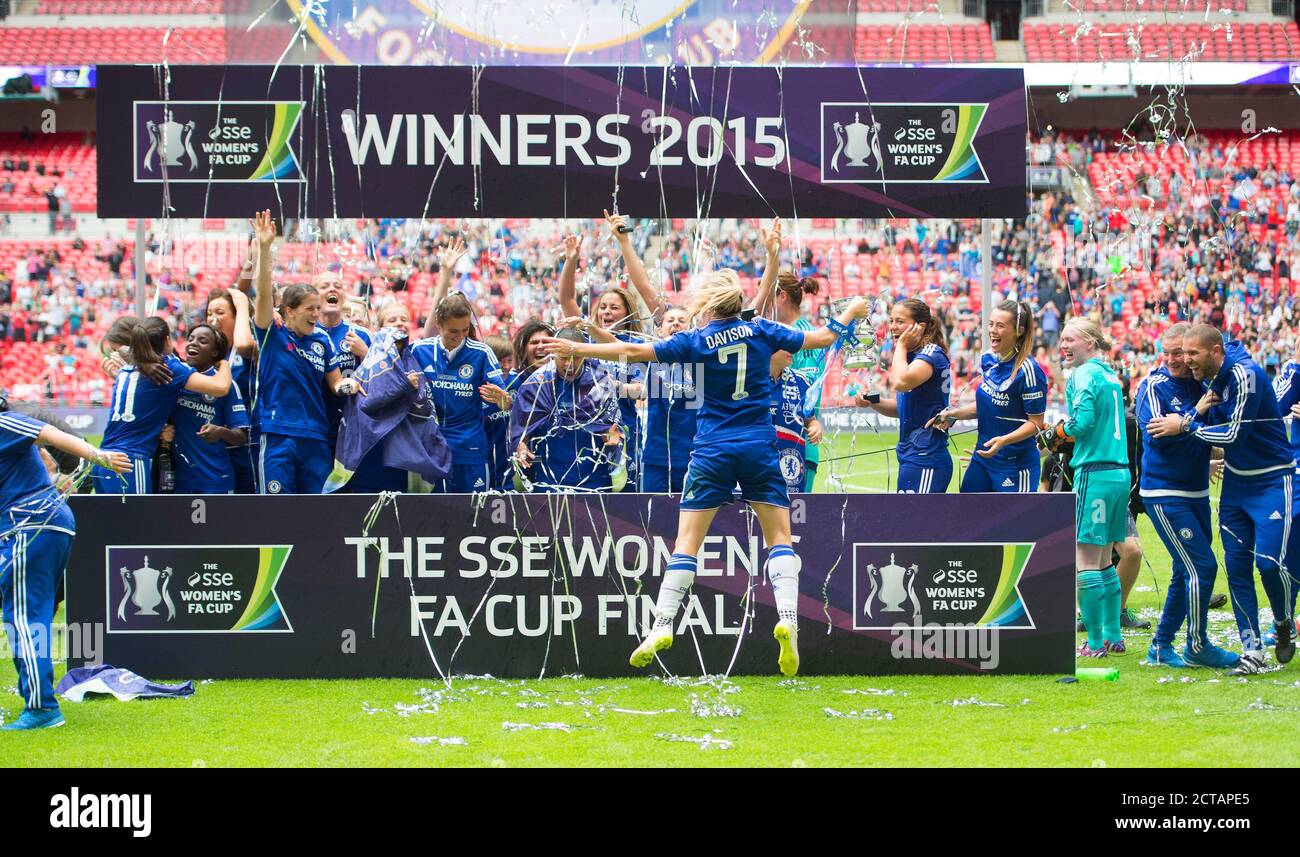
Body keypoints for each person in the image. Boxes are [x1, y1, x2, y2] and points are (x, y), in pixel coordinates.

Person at [541, 270, 870, 676]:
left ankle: (661, 624)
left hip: (712, 448)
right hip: (757, 446)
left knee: (686, 543)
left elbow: (636, 352)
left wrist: (579, 347)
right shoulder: (761, 329)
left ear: (709, 305)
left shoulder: (695, 340)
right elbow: (822, 340)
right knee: (779, 538)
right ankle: (788, 618)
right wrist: (851, 312)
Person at [1148, 325, 1296, 674]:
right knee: (1238, 568)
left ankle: (1284, 620)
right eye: (1181, 353)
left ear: (1216, 351)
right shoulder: (1209, 383)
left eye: (1192, 354)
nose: (1186, 361)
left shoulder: (1246, 375)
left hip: (1273, 481)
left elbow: (1233, 434)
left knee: (1271, 565)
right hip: (1235, 489)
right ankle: (1252, 650)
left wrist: (1184, 424)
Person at [0, 403, 130, 729]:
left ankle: (42, 709)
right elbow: (42, 455)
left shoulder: (4, 422)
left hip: (29, 525)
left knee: (25, 618)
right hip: (42, 523)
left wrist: (98, 457)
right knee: (34, 615)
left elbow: (49, 435)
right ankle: (39, 698)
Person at [1136, 322, 1238, 669]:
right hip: (1164, 492)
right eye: (1167, 352)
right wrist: (1196, 414)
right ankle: (1197, 645)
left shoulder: (1204, 383)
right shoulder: (1154, 385)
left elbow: (1218, 429)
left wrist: (1195, 425)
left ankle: (1161, 647)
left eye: (1180, 352)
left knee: (1185, 569)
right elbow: (1157, 435)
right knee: (1203, 565)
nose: (1174, 359)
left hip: (1195, 490)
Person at [249, 211, 357, 495]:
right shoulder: (271, 332)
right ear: (289, 311)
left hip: (316, 436)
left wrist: (350, 385)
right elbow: (262, 295)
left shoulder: (321, 339)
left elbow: (335, 383)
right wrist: (264, 247)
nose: (316, 315)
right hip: (278, 434)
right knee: (276, 512)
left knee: (319, 515)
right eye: (310, 309)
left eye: (318, 309)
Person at [1041, 318, 1129, 658]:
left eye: (1070, 340)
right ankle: (1112, 635)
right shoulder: (1109, 374)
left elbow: (1083, 423)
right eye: (1062, 339)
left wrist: (1055, 434)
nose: (1063, 345)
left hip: (1096, 471)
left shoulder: (1082, 375)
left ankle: (1093, 644)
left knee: (1086, 559)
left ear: (1090, 343)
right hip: (1119, 473)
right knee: (1105, 557)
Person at [558, 211, 663, 488]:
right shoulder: (585, 339)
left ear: (628, 311)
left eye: (614, 307)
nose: (606, 312)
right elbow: (566, 298)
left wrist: (612, 386)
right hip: (583, 431)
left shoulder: (638, 346)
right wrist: (571, 260)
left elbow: (645, 390)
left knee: (626, 500)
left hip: (625, 430)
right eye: (602, 306)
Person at [93, 316, 233, 495]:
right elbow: (220, 387)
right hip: (129, 461)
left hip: (103, 458)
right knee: (137, 523)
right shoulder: (168, 366)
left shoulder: (127, 367)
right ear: (167, 340)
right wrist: (224, 363)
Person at [931, 301, 1046, 493]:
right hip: (983, 458)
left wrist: (1003, 440)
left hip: (1016, 465)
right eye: (991, 324)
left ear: (1019, 330)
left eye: (1000, 326)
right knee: (969, 517)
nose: (992, 330)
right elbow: (986, 405)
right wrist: (954, 414)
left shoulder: (1029, 371)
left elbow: (1035, 423)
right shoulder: (988, 359)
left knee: (1013, 523)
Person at [750, 218, 827, 490]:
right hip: (765, 442)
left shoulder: (805, 337)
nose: (759, 300)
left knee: (796, 525)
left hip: (796, 444)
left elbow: (805, 393)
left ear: (780, 295)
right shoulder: (774, 332)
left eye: (764, 291)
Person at [410, 293, 506, 492]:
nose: (460, 337)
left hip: (470, 449)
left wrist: (504, 399)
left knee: (473, 516)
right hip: (429, 449)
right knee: (430, 518)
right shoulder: (419, 350)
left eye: (465, 330)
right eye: (453, 331)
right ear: (438, 323)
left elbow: (505, 401)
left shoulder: (481, 353)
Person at [856, 298, 952, 493]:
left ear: (920, 326)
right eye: (891, 321)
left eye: (899, 321)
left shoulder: (931, 354)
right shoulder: (912, 356)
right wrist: (871, 400)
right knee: (907, 521)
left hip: (926, 458)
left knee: (917, 522)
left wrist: (900, 346)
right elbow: (903, 408)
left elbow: (900, 383)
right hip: (913, 455)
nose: (893, 327)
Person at [512, 327, 625, 492]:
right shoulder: (535, 384)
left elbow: (614, 430)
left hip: (594, 479)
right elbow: (520, 432)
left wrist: (613, 442)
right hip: (547, 479)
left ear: (585, 354)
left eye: (577, 358)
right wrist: (521, 445)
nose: (569, 364)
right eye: (563, 358)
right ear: (553, 353)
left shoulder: (601, 383)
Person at [168, 324, 249, 495]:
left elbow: (242, 437)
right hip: (177, 480)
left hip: (215, 480)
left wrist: (220, 432)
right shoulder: (176, 378)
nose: (193, 343)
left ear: (214, 352)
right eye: (190, 339)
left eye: (202, 341)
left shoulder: (225, 384)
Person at [204, 284, 258, 493]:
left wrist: (243, 306)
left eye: (219, 312)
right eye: (209, 313)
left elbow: (245, 344)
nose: (212, 318)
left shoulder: (245, 347)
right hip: (214, 446)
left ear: (237, 319)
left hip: (245, 445)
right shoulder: (205, 353)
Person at [641, 307, 698, 494]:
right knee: (654, 521)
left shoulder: (700, 360)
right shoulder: (650, 358)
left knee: (693, 522)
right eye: (670, 320)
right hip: (657, 457)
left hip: (693, 457)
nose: (676, 323)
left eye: (682, 320)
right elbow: (617, 345)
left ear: (691, 329)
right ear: (660, 330)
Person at [769, 349, 821, 496]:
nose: (791, 350)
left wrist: (815, 427)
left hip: (791, 464)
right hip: (756, 464)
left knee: (792, 516)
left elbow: (810, 419)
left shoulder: (800, 381)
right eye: (785, 345)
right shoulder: (750, 380)